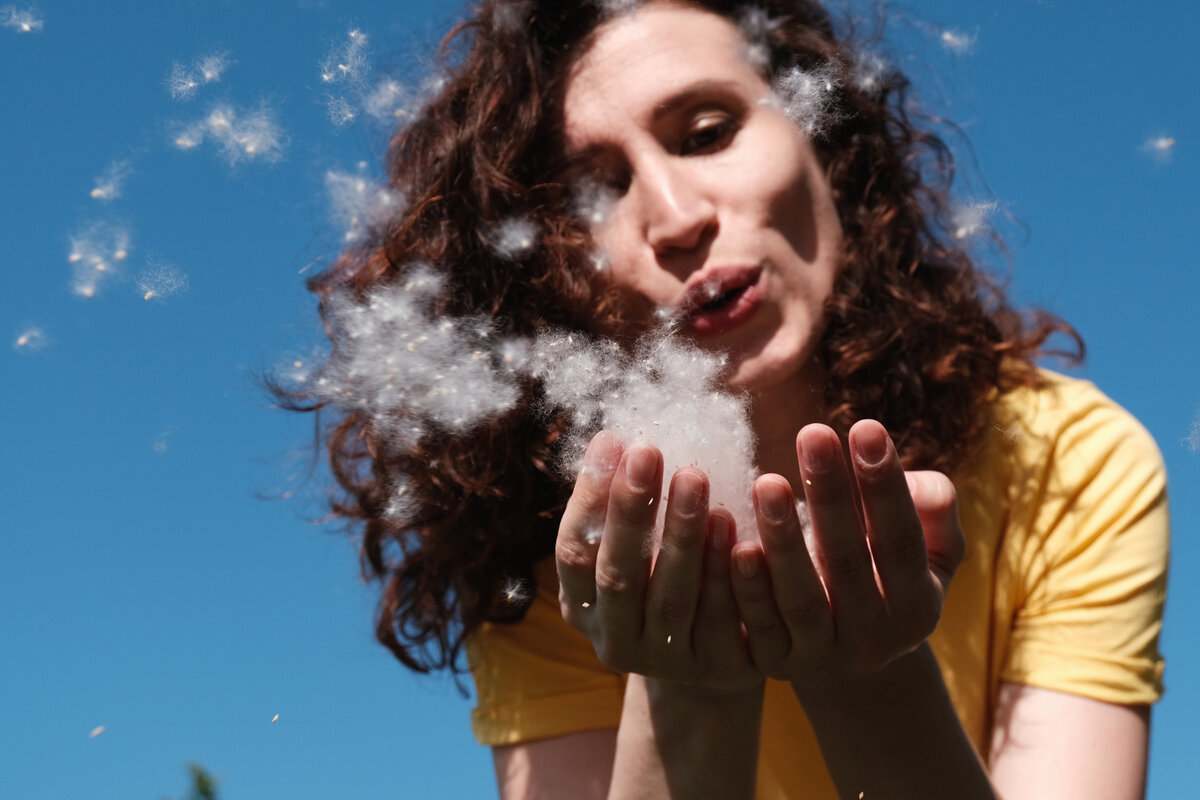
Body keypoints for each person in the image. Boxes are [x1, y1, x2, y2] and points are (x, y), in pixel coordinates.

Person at [285, 1, 1170, 797]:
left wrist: (871, 676)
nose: (676, 217)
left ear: (825, 139)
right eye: (597, 193)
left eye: (707, 133)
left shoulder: (1065, 460)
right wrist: (690, 693)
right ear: (538, 280)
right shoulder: (551, 556)